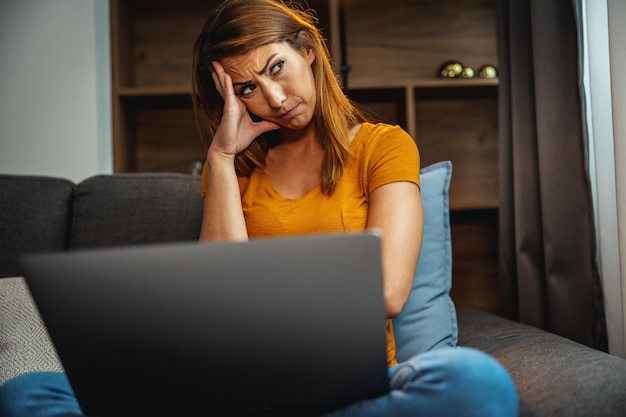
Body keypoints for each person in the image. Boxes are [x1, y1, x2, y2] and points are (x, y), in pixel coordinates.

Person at [0, 1, 518, 416]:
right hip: (236, 390)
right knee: (27, 394)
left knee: (475, 380)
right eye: (248, 88)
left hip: (350, 392)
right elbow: (217, 293)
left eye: (277, 68)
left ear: (308, 49)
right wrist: (222, 158)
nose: (274, 97)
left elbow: (386, 291)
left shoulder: (383, 146)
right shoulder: (235, 172)